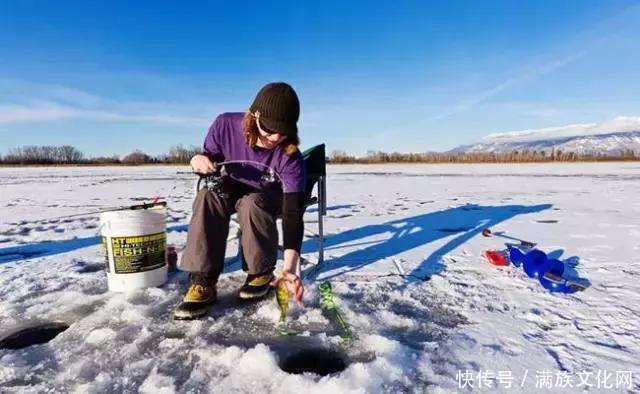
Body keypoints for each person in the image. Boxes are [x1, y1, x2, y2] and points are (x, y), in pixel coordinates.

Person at [173, 82, 306, 320]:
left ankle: (260, 272)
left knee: (252, 202)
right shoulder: (224, 125)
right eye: (269, 129)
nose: (275, 137)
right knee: (207, 198)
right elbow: (207, 157)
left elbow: (293, 213)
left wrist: (288, 269)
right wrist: (198, 160)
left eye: (282, 131)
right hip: (228, 185)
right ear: (254, 116)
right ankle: (203, 281)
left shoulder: (290, 156)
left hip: (266, 195)